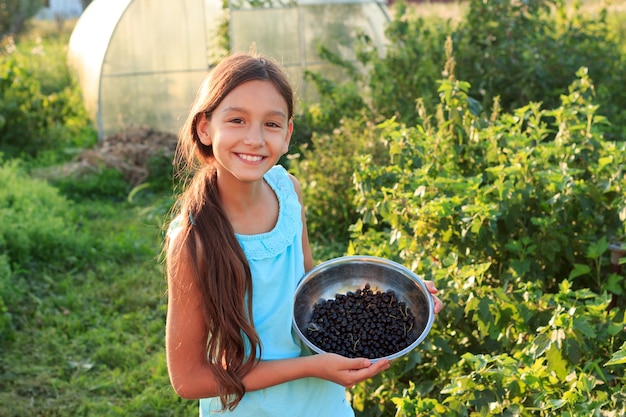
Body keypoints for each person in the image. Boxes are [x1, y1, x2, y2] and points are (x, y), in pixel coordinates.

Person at [164, 52, 444, 416]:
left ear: (288, 134)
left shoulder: (287, 191)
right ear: (205, 127)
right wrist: (310, 367)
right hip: (250, 407)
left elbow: (307, 288)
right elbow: (189, 379)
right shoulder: (192, 239)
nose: (254, 138)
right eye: (236, 120)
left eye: (271, 124)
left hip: (320, 401)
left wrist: (392, 293)